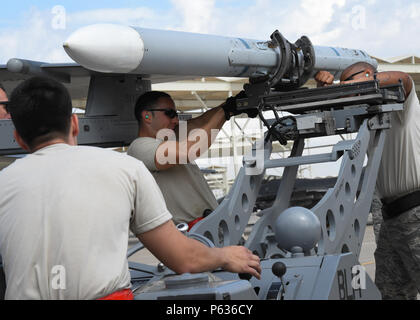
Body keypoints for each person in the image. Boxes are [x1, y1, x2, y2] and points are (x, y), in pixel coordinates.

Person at [0, 77, 261, 300]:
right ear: (74, 123)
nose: (175, 121)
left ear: (19, 138)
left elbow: (191, 128)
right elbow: (185, 260)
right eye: (169, 114)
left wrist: (225, 109)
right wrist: (225, 256)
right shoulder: (128, 165)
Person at [316, 62, 420, 300]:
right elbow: (328, 117)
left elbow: (403, 78)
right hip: (392, 219)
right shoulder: (369, 121)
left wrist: (351, 85)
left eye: (353, 87)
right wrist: (325, 89)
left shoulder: (402, 106)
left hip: (416, 211)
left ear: (370, 77)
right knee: (392, 293)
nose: (352, 97)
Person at [127, 91, 257, 228]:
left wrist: (231, 106)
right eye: (170, 114)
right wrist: (225, 111)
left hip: (208, 230)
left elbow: (200, 122)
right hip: (193, 236)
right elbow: (186, 152)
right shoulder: (140, 147)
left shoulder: (170, 139)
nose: (176, 120)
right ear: (147, 116)